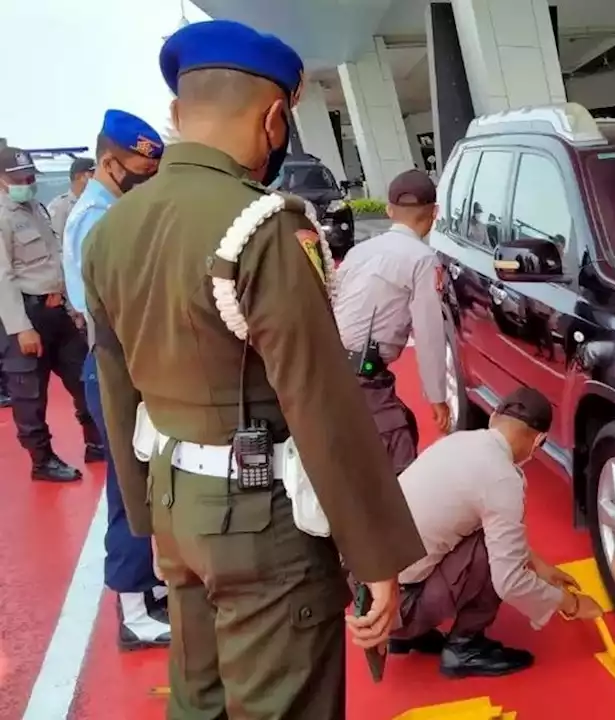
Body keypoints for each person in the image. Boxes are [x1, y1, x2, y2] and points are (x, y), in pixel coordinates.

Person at [80, 19, 424, 718]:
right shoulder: (263, 228)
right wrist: (378, 558)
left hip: (176, 504)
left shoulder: (111, 227)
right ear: (275, 119)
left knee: (198, 700)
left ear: (177, 115)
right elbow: (320, 401)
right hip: (260, 523)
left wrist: (147, 515)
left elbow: (115, 386)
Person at [393, 387, 604, 677]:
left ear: (494, 416)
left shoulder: (458, 441)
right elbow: (510, 580)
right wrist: (573, 604)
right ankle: (464, 649)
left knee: (476, 532)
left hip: (372, 589)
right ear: (539, 440)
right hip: (396, 607)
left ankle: (406, 633)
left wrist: (541, 567)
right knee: (491, 553)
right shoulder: (502, 478)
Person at [64, 109, 169, 650]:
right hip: (111, 367)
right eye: (141, 169)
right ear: (110, 163)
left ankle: (147, 588)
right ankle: (132, 609)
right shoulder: (98, 221)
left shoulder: (114, 209)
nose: (148, 178)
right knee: (128, 488)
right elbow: (100, 307)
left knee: (143, 482)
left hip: (125, 365)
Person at [331, 168, 449, 473]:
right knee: (402, 466)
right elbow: (429, 333)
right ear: (434, 213)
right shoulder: (423, 260)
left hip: (330, 368)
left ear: (388, 211)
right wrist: (437, 397)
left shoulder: (358, 252)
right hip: (364, 377)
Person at [0, 145, 103, 482]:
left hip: (56, 311)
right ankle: (42, 461)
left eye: (29, 176)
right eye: (19, 178)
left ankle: (96, 442)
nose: (27, 182)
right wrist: (20, 328)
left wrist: (72, 306)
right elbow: (3, 278)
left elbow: (57, 259)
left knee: (83, 378)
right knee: (30, 394)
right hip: (27, 318)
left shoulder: (34, 208)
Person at [48, 157, 95, 240]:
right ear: (79, 176)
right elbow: (56, 241)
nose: (96, 177)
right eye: (92, 173)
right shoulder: (60, 206)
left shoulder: (95, 202)